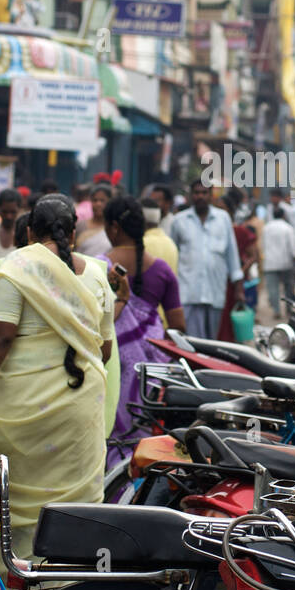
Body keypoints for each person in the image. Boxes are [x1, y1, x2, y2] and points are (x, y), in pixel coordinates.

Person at [0, 195, 115, 558]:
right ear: (73, 233)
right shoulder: (97, 274)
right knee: (78, 511)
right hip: (80, 408)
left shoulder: (18, 266)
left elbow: (1, 338)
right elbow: (103, 351)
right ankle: (73, 587)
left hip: (24, 411)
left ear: (28, 231)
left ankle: (24, 585)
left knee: (21, 515)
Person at [102, 197, 185, 460]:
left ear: (114, 228)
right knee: (143, 437)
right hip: (150, 373)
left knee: (108, 436)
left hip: (108, 365)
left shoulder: (97, 267)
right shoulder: (161, 270)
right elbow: (178, 328)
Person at [169, 180, 243, 340]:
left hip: (215, 290)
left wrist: (238, 288)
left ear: (211, 195)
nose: (200, 196)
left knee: (211, 341)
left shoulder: (223, 219)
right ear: (191, 195)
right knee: (191, 341)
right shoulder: (179, 220)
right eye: (196, 193)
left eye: (204, 193)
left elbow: (232, 253)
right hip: (188, 292)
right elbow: (172, 254)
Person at [261, 205, 295, 319]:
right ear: (283, 215)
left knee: (273, 289)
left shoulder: (266, 228)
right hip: (286, 263)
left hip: (270, 263)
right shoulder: (288, 228)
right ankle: (288, 310)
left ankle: (276, 310)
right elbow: (293, 248)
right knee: (288, 287)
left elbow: (263, 245)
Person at [75, 183, 113, 257]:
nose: (98, 204)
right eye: (95, 200)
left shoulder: (113, 227)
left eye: (102, 201)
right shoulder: (80, 226)